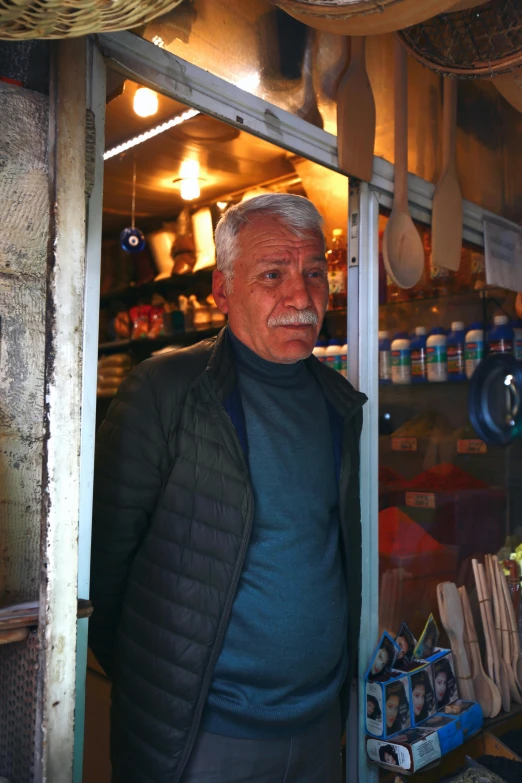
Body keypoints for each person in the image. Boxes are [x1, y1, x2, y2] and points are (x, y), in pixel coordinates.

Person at [89, 193, 367, 783]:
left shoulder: (337, 404)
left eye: (315, 272)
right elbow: (102, 567)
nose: (301, 296)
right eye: (273, 274)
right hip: (204, 737)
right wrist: (159, 689)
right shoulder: (165, 390)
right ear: (221, 291)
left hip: (320, 726)